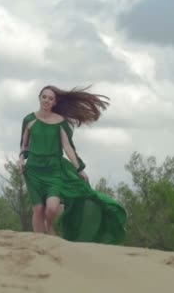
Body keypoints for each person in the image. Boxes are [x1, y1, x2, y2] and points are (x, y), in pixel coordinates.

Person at [19, 85, 126, 244]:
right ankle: (38, 244)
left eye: (50, 98)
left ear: (55, 102)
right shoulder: (29, 120)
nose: (47, 100)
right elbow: (24, 145)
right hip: (34, 169)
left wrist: (79, 168)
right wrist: (21, 159)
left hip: (53, 169)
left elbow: (68, 147)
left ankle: (50, 226)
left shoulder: (60, 122)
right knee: (38, 209)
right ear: (39, 98)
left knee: (52, 207)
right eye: (44, 97)